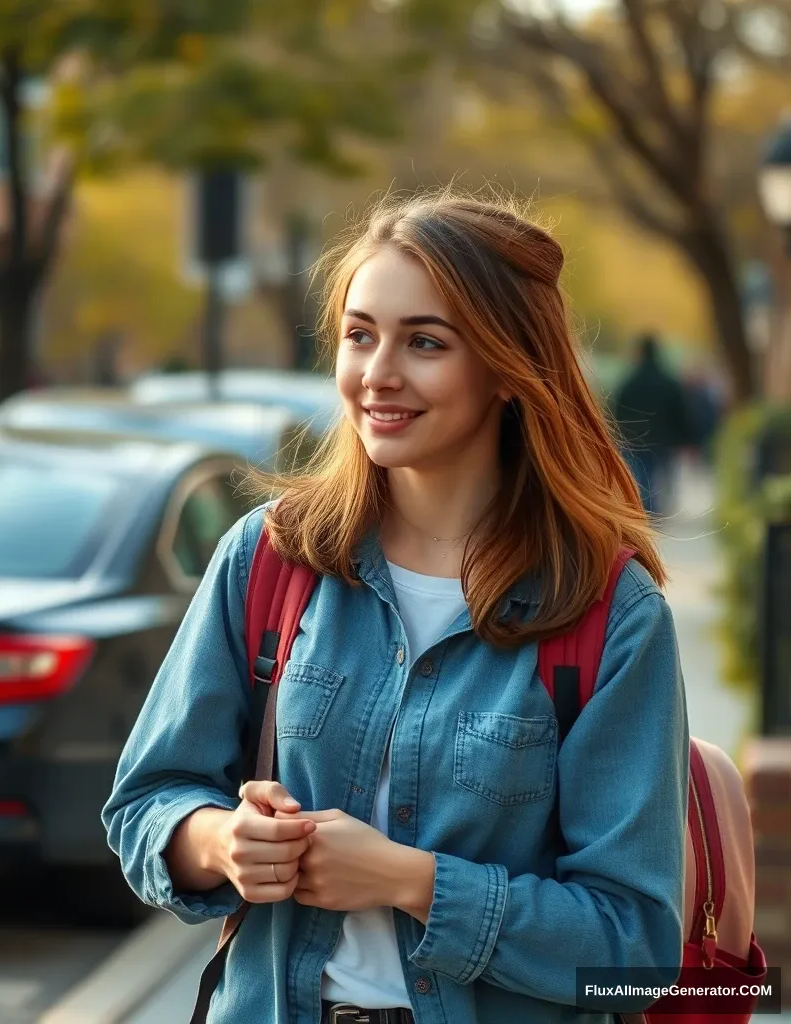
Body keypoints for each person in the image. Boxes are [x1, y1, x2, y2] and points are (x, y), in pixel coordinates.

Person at [103, 191, 689, 1024]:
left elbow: (634, 953)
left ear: (506, 369)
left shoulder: (608, 612)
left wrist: (413, 882)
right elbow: (144, 799)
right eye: (359, 335)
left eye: (425, 342)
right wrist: (217, 843)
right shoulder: (271, 559)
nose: (378, 373)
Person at [612, 333, 692, 516]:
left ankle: (647, 507)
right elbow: (679, 412)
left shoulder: (630, 382)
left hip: (635, 437)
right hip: (664, 439)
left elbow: (619, 411)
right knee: (663, 474)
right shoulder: (669, 383)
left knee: (642, 474)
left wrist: (620, 435)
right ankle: (657, 506)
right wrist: (684, 438)